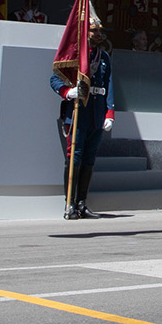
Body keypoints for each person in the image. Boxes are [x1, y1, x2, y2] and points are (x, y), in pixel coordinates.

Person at [51, 14, 119, 220]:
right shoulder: (74, 56)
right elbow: (54, 79)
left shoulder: (104, 57)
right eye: (94, 31)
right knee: (75, 157)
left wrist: (109, 113)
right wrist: (67, 92)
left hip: (97, 113)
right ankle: (69, 204)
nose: (98, 34)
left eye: (100, 31)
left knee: (90, 159)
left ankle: (82, 203)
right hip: (79, 112)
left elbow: (109, 85)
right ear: (84, 32)